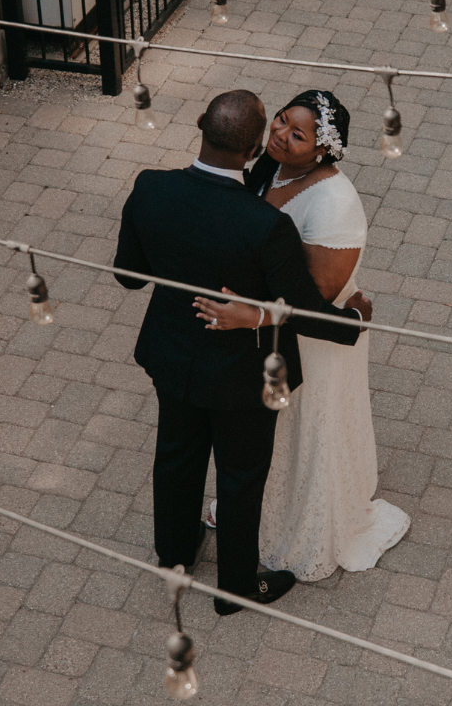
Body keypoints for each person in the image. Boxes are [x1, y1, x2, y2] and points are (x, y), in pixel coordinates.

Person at [112, 90, 373, 615]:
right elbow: (308, 309)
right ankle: (235, 587)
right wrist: (356, 321)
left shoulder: (150, 187)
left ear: (200, 123)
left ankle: (176, 555)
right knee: (240, 475)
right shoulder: (265, 226)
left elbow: (127, 276)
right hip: (241, 372)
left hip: (172, 355)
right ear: (255, 148)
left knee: (176, 456)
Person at [194, 91, 410, 581]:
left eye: (298, 135)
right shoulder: (270, 167)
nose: (280, 136)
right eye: (281, 122)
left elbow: (315, 298)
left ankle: (303, 524)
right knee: (265, 431)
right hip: (264, 328)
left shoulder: (335, 203)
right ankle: (260, 510)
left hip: (313, 339)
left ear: (322, 150)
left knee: (303, 428)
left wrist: (251, 316)